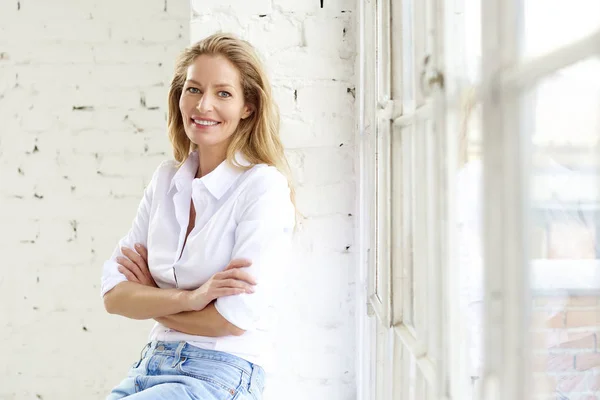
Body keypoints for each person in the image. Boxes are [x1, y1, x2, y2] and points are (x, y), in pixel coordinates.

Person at [100, 32, 296, 400]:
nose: (203, 105)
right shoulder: (165, 181)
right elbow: (113, 295)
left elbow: (231, 320)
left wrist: (152, 297)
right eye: (193, 89)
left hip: (220, 373)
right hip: (148, 366)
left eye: (223, 93)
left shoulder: (262, 188)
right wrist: (191, 299)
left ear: (248, 106)